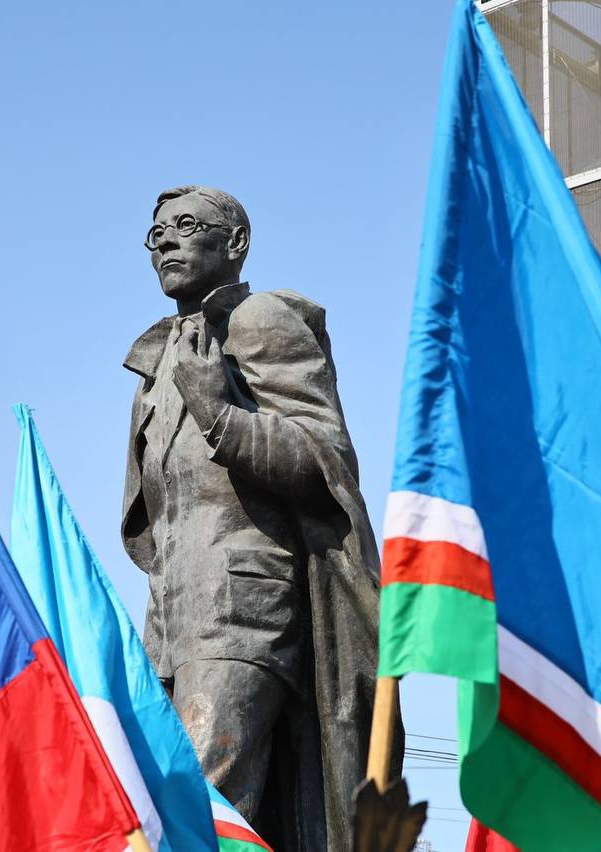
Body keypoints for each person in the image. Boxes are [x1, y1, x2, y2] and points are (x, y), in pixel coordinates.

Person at [121, 185, 397, 851]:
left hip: (247, 611)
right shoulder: (156, 362)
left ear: (235, 243)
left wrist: (218, 413)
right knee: (160, 806)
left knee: (199, 805)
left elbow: (324, 457)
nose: (166, 240)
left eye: (186, 225)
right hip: (168, 623)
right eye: (156, 232)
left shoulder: (261, 320)